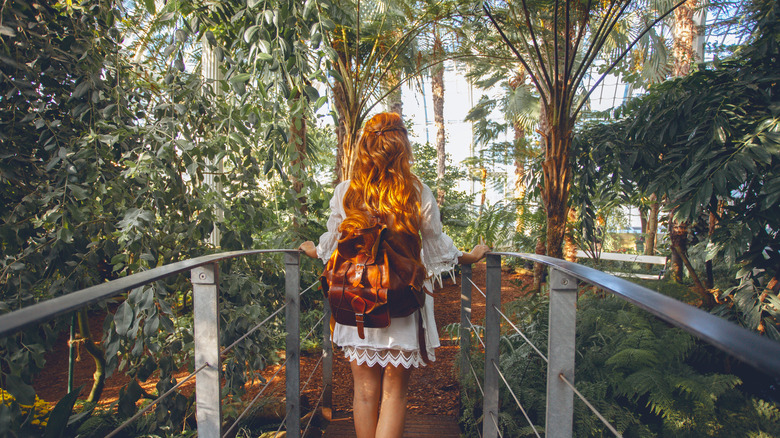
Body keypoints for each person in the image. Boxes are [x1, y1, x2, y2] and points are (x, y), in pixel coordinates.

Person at [299, 112, 489, 438]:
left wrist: (313, 250)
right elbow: (434, 244)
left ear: (365, 147)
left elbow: (333, 243)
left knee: (363, 390)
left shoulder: (346, 191)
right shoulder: (416, 191)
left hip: (358, 299)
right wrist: (468, 256)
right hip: (401, 301)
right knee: (394, 392)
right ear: (402, 146)